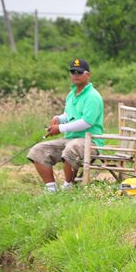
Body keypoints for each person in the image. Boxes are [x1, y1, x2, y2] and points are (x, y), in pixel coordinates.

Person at [27, 58, 104, 192]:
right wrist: (59, 119)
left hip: (90, 141)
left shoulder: (93, 96)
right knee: (37, 150)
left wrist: (60, 128)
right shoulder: (71, 94)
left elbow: (86, 122)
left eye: (79, 72)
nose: (75, 75)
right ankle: (51, 189)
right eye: (73, 72)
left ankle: (68, 186)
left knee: (71, 148)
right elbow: (69, 115)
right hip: (70, 138)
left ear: (88, 75)